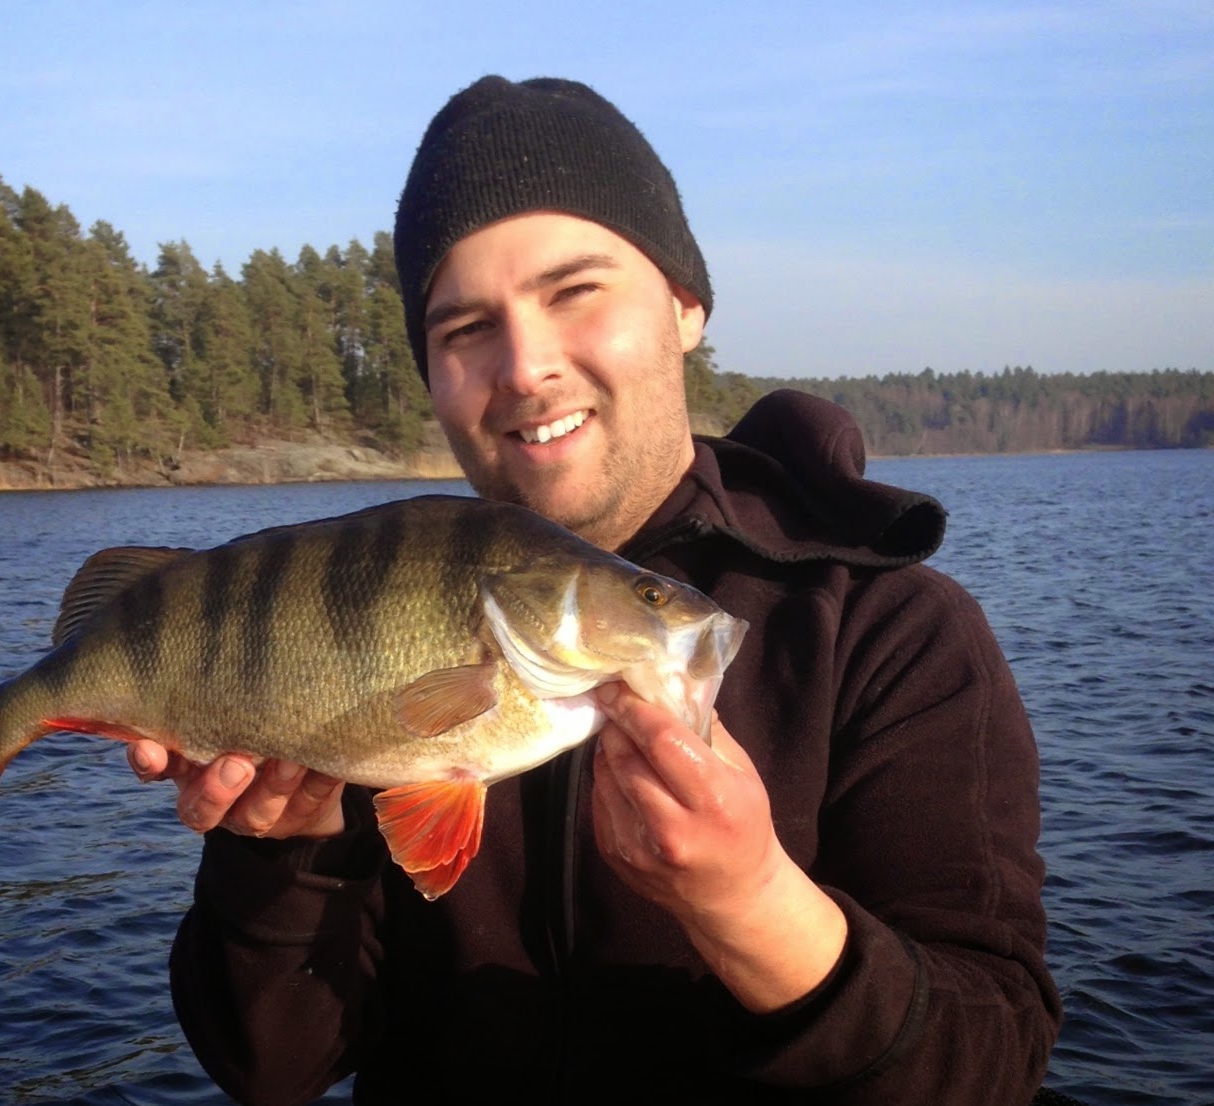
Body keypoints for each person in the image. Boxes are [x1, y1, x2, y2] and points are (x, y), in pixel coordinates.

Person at [126, 76, 1061, 1104]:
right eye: (464, 328)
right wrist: (280, 861)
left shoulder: (896, 634)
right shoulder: (362, 605)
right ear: (431, 375)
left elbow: (995, 1059)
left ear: (685, 303)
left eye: (577, 292)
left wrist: (753, 904)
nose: (525, 366)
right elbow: (269, 1068)